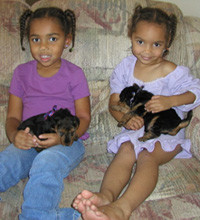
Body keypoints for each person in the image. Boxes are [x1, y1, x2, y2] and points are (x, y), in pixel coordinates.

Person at [72, 5, 200, 220]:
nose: (147, 51)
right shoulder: (125, 67)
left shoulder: (172, 71)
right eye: (140, 42)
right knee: (125, 150)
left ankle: (123, 208)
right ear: (131, 37)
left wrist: (171, 101)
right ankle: (105, 196)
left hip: (164, 133)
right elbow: (114, 102)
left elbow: (196, 92)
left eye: (156, 44)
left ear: (167, 45)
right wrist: (125, 119)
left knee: (147, 158)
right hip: (135, 130)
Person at [0, 7, 90, 220]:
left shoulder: (74, 74)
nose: (43, 47)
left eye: (52, 39)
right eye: (35, 39)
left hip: (68, 141)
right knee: (7, 161)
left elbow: (84, 118)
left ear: (66, 41)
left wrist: (62, 138)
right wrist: (15, 136)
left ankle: (36, 216)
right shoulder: (21, 73)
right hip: (29, 140)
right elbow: (12, 117)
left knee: (46, 163)